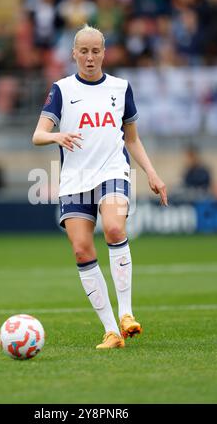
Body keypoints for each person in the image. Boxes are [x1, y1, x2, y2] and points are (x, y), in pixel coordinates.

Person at [32, 25, 168, 349]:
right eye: (84, 51)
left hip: (113, 171)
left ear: (104, 53)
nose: (90, 57)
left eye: (96, 51)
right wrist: (56, 136)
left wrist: (151, 173)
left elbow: (131, 139)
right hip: (75, 180)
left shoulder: (121, 88)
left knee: (114, 228)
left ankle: (127, 314)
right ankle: (111, 331)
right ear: (74, 54)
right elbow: (38, 134)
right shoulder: (62, 89)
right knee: (81, 249)